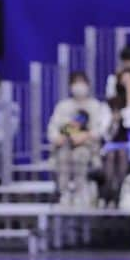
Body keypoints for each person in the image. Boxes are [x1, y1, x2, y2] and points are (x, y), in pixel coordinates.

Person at [47, 71, 111, 207]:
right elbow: (53, 129)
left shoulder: (95, 106)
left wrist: (85, 136)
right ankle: (63, 192)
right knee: (63, 155)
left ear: (88, 85)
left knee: (79, 155)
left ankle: (79, 193)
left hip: (88, 147)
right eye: (75, 83)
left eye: (82, 82)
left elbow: (100, 129)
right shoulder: (63, 106)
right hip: (65, 145)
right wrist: (63, 136)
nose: (79, 86)